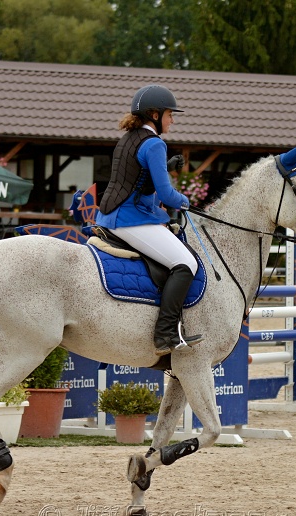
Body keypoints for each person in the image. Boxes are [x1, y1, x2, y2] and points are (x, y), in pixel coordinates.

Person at [95, 84, 201, 356]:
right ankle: (165, 334)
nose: (172, 120)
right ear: (155, 114)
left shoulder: (128, 138)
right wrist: (186, 201)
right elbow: (165, 194)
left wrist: (165, 167)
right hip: (129, 219)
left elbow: (137, 182)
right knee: (186, 263)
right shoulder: (155, 144)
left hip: (108, 214)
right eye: (170, 114)